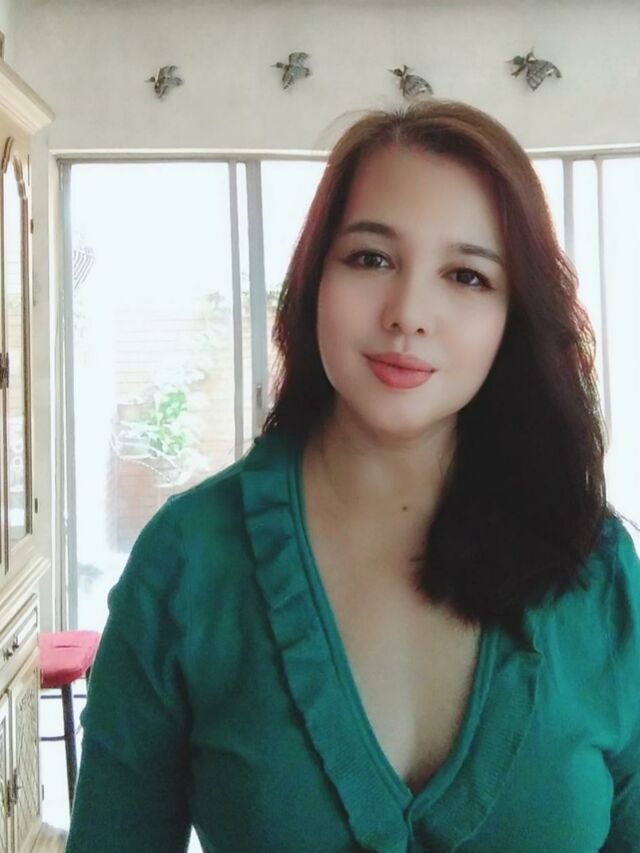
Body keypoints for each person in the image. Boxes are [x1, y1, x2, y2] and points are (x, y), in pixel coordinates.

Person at [66, 99, 640, 852]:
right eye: (371, 258)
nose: (408, 313)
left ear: (515, 316)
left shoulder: (592, 565)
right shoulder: (188, 560)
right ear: (314, 280)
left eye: (467, 275)